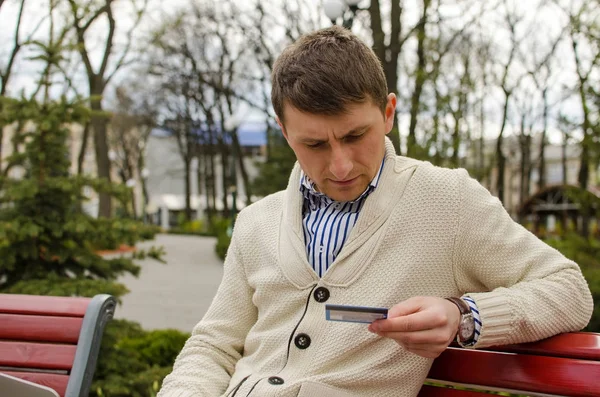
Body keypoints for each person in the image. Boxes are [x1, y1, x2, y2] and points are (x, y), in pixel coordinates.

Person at [157, 26, 593, 397]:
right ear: (283, 131)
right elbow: (214, 344)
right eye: (314, 144)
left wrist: (463, 317)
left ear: (387, 113)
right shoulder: (257, 221)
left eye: (355, 135)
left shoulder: (447, 201)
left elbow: (568, 289)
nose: (341, 165)